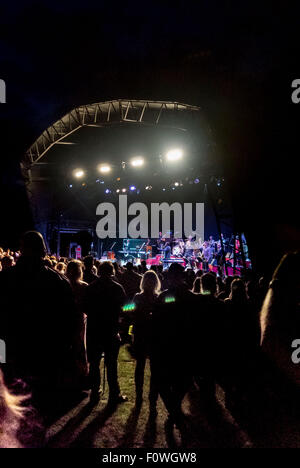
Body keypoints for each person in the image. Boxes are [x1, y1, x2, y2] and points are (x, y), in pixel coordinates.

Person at [0, 231, 77, 402]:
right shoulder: (59, 281)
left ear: (22, 249)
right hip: (46, 356)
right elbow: (69, 323)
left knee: (12, 409)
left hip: (12, 353)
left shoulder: (5, 278)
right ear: (43, 251)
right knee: (41, 409)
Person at [150, 263, 195, 426]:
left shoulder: (163, 297)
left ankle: (173, 409)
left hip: (167, 344)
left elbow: (155, 323)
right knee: (182, 381)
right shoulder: (191, 297)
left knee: (165, 382)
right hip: (183, 345)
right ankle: (174, 409)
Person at [85, 261, 128, 404]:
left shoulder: (91, 288)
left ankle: (94, 393)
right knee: (111, 364)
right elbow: (125, 307)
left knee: (94, 363)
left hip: (94, 330)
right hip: (111, 330)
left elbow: (84, 307)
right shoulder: (117, 288)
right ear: (112, 272)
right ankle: (114, 394)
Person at [131, 271, 160, 408]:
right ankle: (152, 397)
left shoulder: (138, 297)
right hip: (154, 334)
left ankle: (138, 394)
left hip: (140, 333)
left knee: (140, 365)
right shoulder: (158, 298)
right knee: (154, 368)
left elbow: (132, 313)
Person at [66, 260, 88, 380]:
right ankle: (81, 372)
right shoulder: (84, 286)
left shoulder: (63, 284)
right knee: (79, 345)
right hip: (79, 319)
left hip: (65, 319)